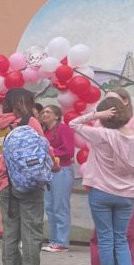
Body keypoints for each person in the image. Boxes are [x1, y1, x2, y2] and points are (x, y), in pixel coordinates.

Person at [71, 98, 134, 265]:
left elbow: (74, 123)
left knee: (105, 238)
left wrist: (96, 115)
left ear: (107, 115)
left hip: (101, 191)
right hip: (127, 194)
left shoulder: (101, 135)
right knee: (121, 239)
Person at [87, 86, 134, 265]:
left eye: (114, 100)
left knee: (128, 226)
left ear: (126, 101)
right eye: (107, 101)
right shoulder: (100, 123)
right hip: (101, 177)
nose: (110, 106)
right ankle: (99, 264)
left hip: (127, 179)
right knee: (101, 227)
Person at [0, 88, 47, 265]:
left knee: (10, 233)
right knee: (32, 232)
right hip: (29, 184)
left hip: (6, 185)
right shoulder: (30, 123)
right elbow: (44, 150)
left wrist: (2, 178)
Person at [39, 104, 75, 253]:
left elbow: (68, 150)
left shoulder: (63, 129)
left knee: (60, 206)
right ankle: (54, 240)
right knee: (49, 206)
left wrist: (49, 153)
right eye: (43, 112)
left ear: (57, 116)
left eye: (48, 112)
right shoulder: (44, 132)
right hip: (48, 171)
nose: (44, 114)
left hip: (62, 170)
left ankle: (62, 242)